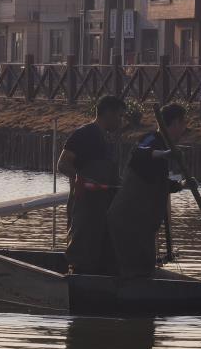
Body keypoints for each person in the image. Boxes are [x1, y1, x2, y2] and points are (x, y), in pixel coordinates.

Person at [107, 103, 192, 278]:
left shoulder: (162, 145)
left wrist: (184, 184)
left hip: (143, 225)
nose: (185, 129)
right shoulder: (151, 139)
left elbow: (160, 183)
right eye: (183, 124)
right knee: (135, 271)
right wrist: (165, 154)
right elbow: (141, 153)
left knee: (145, 269)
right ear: (175, 123)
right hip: (128, 221)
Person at [57, 95, 126, 274]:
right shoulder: (84, 134)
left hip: (106, 206)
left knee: (107, 251)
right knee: (81, 250)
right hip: (84, 204)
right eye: (119, 116)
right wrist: (82, 178)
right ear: (108, 113)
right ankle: (76, 280)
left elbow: (113, 175)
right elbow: (63, 164)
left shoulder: (110, 140)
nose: (121, 120)